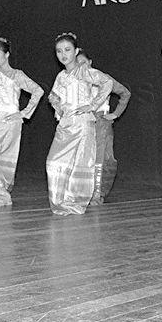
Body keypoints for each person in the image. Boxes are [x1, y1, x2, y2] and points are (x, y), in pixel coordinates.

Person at [46, 33, 113, 215]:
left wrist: (91, 105)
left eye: (67, 50)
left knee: (79, 164)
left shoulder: (84, 71)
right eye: (59, 51)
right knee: (53, 162)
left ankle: (75, 202)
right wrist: (56, 104)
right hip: (65, 125)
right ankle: (62, 202)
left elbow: (107, 83)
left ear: (76, 51)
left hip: (82, 125)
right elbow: (54, 95)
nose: (63, 54)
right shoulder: (61, 75)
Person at [0, 37, 44, 207]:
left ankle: (1, 194)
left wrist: (23, 114)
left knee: (8, 158)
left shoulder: (17, 75)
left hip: (12, 123)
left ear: (6, 54)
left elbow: (38, 91)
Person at [76, 49, 131, 205]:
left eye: (84, 63)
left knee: (102, 159)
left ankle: (97, 194)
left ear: (90, 62)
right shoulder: (74, 80)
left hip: (101, 122)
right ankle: (80, 191)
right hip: (81, 122)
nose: (82, 67)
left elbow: (125, 93)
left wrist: (115, 114)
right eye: (77, 64)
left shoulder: (103, 78)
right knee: (81, 158)